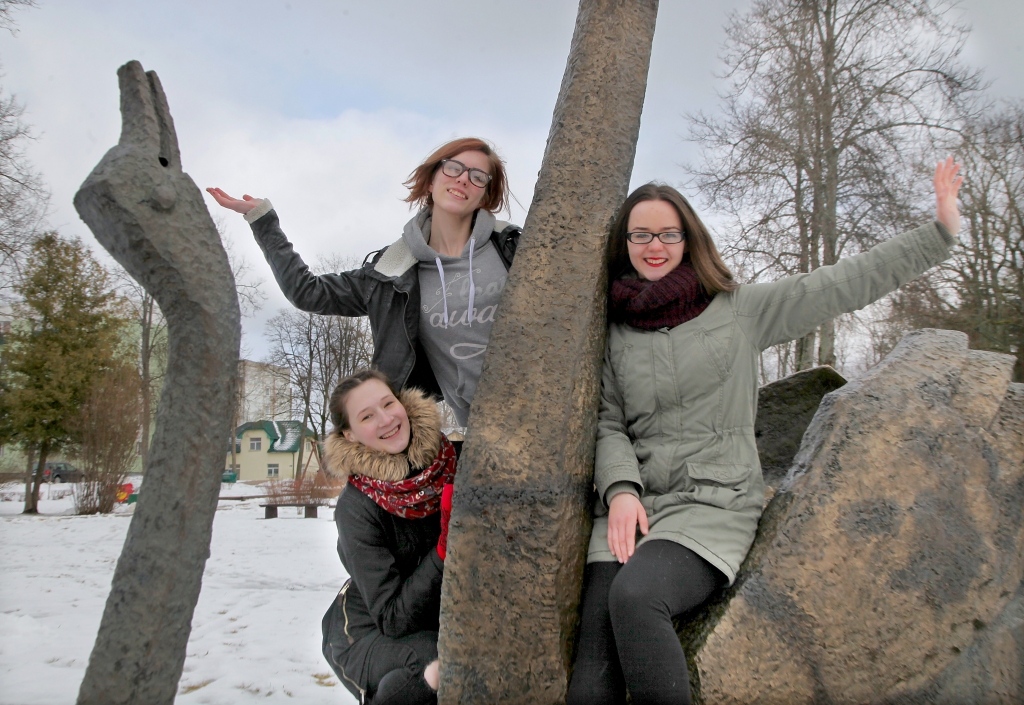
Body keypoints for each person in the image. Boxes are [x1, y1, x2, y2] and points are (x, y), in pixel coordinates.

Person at [566, 158, 964, 705]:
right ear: (625, 242)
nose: (653, 245)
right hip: (633, 509)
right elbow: (607, 421)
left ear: (688, 239)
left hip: (712, 504)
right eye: (640, 234)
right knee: (591, 665)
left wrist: (938, 234)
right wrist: (620, 491)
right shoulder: (613, 329)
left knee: (636, 598)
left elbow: (842, 283)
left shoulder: (740, 310)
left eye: (667, 233)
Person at [207, 137, 520, 430]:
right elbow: (308, 292)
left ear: (485, 194)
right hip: (481, 430)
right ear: (432, 178)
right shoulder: (392, 272)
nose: (464, 178)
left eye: (478, 176)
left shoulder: (514, 249)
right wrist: (263, 222)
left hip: (551, 406)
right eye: (454, 168)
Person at [320, 369, 457, 704]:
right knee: (437, 661)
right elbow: (392, 617)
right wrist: (444, 550)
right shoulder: (356, 508)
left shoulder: (453, 459)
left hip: (439, 614)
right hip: (369, 629)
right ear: (350, 434)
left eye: (388, 404)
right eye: (367, 416)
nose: (386, 420)